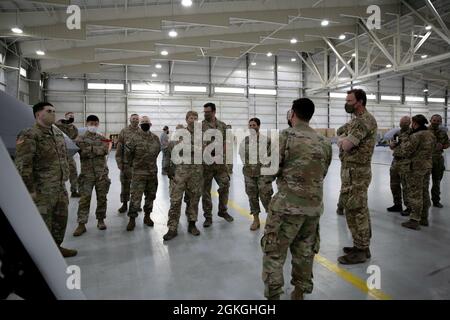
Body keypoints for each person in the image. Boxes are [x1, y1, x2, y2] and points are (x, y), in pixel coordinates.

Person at [261, 98, 332, 300]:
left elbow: (267, 174)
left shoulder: (284, 137)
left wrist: (269, 205)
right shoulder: (324, 142)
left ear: (292, 113)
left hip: (286, 209)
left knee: (274, 253)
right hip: (313, 208)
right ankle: (299, 293)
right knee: (305, 252)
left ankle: (274, 296)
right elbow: (322, 173)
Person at [15, 102, 77, 257]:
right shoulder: (29, 134)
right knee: (43, 223)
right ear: (38, 114)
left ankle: (56, 248)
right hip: (42, 189)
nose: (53, 114)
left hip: (60, 186)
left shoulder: (57, 134)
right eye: (49, 111)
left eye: (54, 111)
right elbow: (23, 165)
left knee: (60, 220)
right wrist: (30, 190)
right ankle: (43, 256)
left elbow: (64, 157)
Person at [337, 89, 377, 265]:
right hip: (352, 171)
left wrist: (342, 140)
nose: (347, 103)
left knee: (356, 210)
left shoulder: (363, 121)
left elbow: (345, 145)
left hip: (357, 172)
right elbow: (340, 131)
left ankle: (361, 250)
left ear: (360, 102)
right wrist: (344, 137)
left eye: (350, 100)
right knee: (356, 208)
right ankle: (361, 245)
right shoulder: (355, 121)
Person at [163, 112, 203, 241]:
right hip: (179, 173)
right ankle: (172, 228)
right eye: (191, 118)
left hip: (195, 174)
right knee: (175, 200)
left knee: (193, 200)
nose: (193, 120)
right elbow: (169, 150)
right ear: (186, 119)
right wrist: (167, 168)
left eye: (196, 118)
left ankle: (192, 224)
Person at [393, 115, 436, 230]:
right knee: (424, 192)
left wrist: (399, 144)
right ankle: (424, 218)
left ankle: (414, 220)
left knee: (415, 194)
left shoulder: (416, 136)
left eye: (412, 123)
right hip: (427, 166)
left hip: (415, 168)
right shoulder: (431, 134)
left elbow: (406, 151)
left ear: (415, 123)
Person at [72, 115, 111, 236]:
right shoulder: (80, 138)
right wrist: (96, 149)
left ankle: (101, 220)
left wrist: (91, 149)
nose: (93, 125)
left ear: (98, 124)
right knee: (84, 199)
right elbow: (82, 152)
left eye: (95, 123)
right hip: (86, 175)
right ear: (87, 124)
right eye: (91, 123)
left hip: (101, 174)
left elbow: (105, 150)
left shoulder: (102, 138)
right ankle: (81, 224)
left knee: (102, 198)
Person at [125, 116, 161, 231]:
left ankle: (147, 216)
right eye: (143, 122)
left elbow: (158, 151)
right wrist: (135, 166)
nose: (145, 124)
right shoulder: (133, 138)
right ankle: (132, 219)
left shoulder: (155, 138)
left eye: (147, 122)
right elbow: (128, 155)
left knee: (150, 196)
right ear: (140, 124)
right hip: (138, 173)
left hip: (152, 173)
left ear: (150, 124)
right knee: (136, 196)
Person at [201, 102, 233, 227]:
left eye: (208, 112)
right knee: (205, 191)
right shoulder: (201, 126)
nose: (205, 114)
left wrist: (221, 151)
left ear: (214, 111)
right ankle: (208, 217)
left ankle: (222, 211)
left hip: (220, 163)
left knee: (225, 185)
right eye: (204, 112)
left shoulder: (222, 125)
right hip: (206, 164)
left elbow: (227, 141)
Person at [239, 118, 273, 231]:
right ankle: (256, 220)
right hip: (249, 173)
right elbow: (241, 154)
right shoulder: (245, 141)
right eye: (250, 125)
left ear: (259, 126)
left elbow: (271, 157)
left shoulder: (267, 141)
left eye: (254, 125)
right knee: (252, 197)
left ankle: (271, 221)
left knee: (266, 196)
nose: (252, 127)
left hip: (263, 174)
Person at [116, 114, 141, 213]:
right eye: (133, 119)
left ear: (139, 121)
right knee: (125, 185)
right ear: (130, 120)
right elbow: (119, 148)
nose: (135, 120)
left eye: (136, 119)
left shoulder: (142, 131)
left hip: (138, 165)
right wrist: (119, 163)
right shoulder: (124, 131)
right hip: (126, 164)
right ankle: (124, 204)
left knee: (138, 186)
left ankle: (136, 204)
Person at [387, 116, 412, 214]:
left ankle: (409, 207)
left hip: (406, 161)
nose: (402, 124)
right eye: (401, 122)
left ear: (409, 123)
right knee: (394, 184)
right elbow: (393, 144)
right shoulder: (397, 133)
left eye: (405, 123)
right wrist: (391, 146)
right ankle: (397, 204)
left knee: (406, 186)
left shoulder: (412, 133)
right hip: (395, 161)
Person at [55, 111, 80, 197]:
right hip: (58, 154)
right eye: (69, 115)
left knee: (73, 172)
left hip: (69, 154)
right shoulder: (59, 125)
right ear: (65, 117)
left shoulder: (74, 128)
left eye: (72, 116)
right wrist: (61, 123)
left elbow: (76, 138)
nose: (71, 117)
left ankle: (74, 191)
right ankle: (57, 192)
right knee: (58, 173)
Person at [428, 114, 449, 208]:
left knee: (436, 182)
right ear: (430, 120)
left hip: (438, 160)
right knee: (424, 182)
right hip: (425, 159)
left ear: (440, 122)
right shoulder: (424, 131)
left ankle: (436, 201)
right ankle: (424, 201)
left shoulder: (443, 133)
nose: (436, 122)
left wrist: (443, 146)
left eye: (438, 121)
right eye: (434, 120)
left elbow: (447, 144)